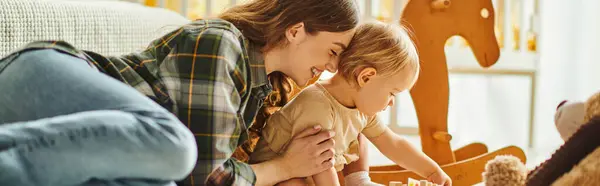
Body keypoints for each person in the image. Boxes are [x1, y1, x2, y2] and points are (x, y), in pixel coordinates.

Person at [0, 0, 360, 185]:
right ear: (296, 30)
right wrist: (283, 167)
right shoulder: (222, 43)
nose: (331, 66)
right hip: (41, 75)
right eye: (333, 51)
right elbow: (207, 177)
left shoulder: (260, 91)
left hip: (61, 133)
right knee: (178, 145)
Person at [248, 21, 453, 186]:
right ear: (366, 77)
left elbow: (393, 143)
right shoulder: (317, 104)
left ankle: (360, 182)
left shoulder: (360, 109)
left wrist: (432, 171)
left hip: (310, 174)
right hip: (277, 177)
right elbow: (320, 164)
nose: (391, 103)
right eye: (392, 93)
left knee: (361, 132)